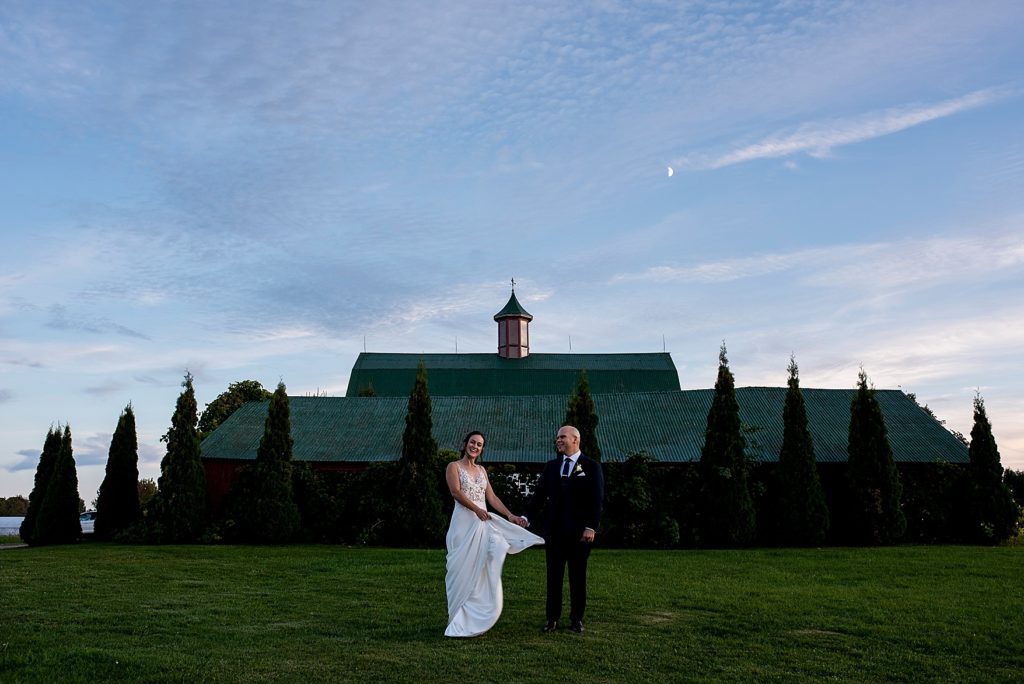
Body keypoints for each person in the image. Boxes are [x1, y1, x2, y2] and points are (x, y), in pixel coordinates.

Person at [444, 431, 544, 638]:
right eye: (472, 442)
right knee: (462, 570)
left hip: (483, 522)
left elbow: (491, 496)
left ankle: (482, 610)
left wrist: (509, 515)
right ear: (465, 444)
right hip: (464, 523)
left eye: (479, 445)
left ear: (482, 449)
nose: (475, 446)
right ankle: (458, 620)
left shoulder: (481, 470)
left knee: (497, 547)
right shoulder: (453, 466)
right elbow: (456, 492)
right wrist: (476, 509)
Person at [524, 425, 604, 634]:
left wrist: (590, 527)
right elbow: (539, 496)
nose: (558, 440)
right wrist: (526, 517)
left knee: (578, 577)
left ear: (575, 439)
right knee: (554, 577)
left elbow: (596, 499)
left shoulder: (591, 466)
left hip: (580, 534)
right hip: (554, 533)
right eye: (557, 437)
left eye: (562, 437)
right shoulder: (551, 466)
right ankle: (552, 619)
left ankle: (576, 618)